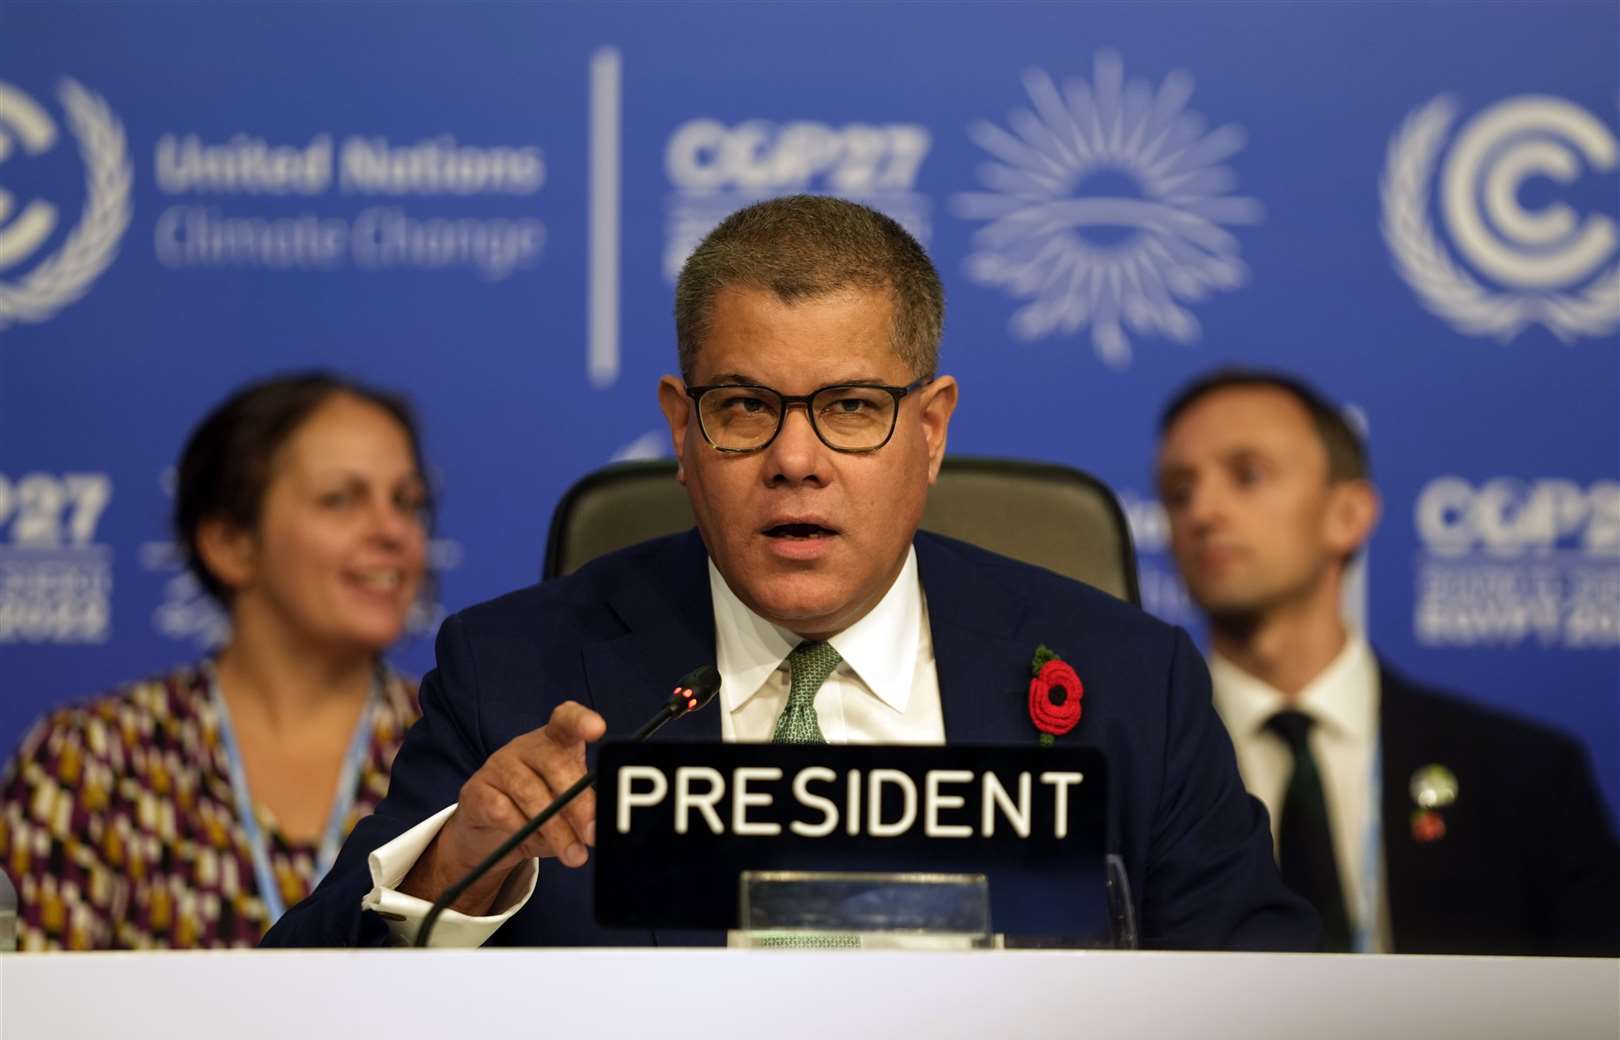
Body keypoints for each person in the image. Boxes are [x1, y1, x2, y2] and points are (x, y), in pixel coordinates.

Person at [263, 196, 1316, 950]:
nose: (796, 460)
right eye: (745, 408)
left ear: (932, 430)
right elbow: (301, 1004)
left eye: (853, 407)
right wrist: (458, 873)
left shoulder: (1129, 682)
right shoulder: (517, 675)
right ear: (682, 430)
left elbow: (1274, 1018)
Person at [1154, 368, 1620, 955]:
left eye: (1247, 476)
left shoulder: (1527, 777)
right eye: (1178, 491)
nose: (1203, 511)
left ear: (1348, 514)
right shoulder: (1143, 769)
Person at [0, 372, 431, 949]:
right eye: (341, 499)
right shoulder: (93, 759)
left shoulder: (455, 749)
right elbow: (33, 1018)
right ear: (231, 543)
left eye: (407, 502)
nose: (393, 530)